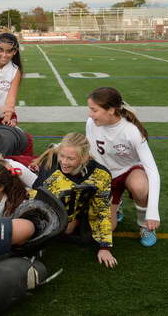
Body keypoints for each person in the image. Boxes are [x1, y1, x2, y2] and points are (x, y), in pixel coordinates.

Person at [86, 87, 160, 247]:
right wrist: (103, 186)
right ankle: (116, 205)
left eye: (94, 110)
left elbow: (153, 171)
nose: (90, 114)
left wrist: (153, 212)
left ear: (111, 110)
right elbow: (93, 154)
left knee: (140, 187)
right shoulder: (91, 123)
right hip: (107, 175)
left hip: (129, 171)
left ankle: (144, 226)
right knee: (108, 229)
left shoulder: (132, 132)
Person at [32, 133, 117, 268]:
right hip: (61, 206)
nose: (64, 162)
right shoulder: (51, 166)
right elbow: (37, 199)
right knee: (63, 229)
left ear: (85, 158)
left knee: (96, 234)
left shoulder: (101, 174)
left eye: (70, 158)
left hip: (86, 207)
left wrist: (104, 247)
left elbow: (100, 210)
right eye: (62, 156)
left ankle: (116, 205)